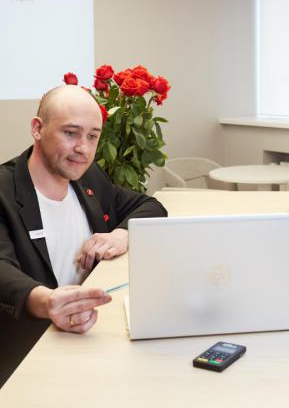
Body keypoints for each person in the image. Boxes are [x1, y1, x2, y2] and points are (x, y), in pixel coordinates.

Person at [0, 85, 167, 387]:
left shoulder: (88, 176)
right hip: (31, 353)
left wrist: (121, 234)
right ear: (37, 129)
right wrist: (47, 301)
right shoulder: (4, 190)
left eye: (92, 136)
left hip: (90, 338)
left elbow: (149, 205)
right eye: (71, 133)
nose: (84, 149)